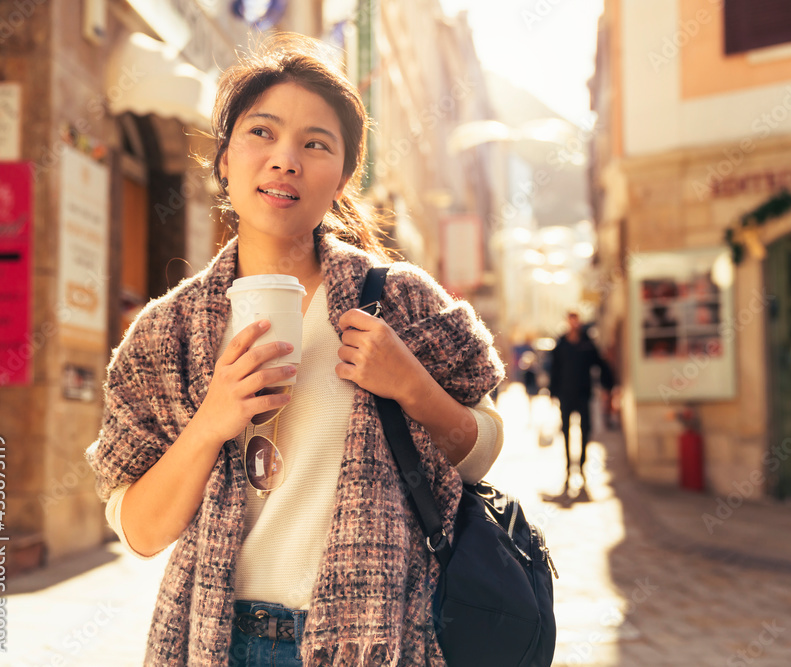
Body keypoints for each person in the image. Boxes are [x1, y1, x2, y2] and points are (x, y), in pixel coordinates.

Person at [85, 34, 504, 667]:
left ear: (342, 175)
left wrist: (412, 385)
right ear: (224, 158)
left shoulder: (401, 303)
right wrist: (210, 423)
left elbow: (481, 454)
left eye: (315, 143)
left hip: (376, 634)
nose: (286, 160)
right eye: (262, 133)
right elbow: (140, 533)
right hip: (218, 640)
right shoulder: (165, 335)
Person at [548, 311, 608, 485]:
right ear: (567, 322)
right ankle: (568, 468)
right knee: (566, 431)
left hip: (583, 394)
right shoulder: (561, 344)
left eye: (576, 321)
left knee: (585, 430)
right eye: (571, 321)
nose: (574, 324)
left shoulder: (587, 343)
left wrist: (608, 384)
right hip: (566, 395)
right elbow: (555, 369)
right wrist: (553, 392)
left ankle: (581, 466)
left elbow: (599, 363)